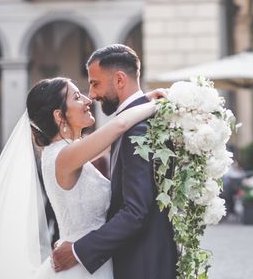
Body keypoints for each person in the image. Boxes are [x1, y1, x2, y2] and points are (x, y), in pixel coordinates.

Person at [0, 74, 161, 279]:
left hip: (90, 257)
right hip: (81, 265)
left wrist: (141, 100)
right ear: (59, 115)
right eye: (77, 97)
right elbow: (119, 126)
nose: (88, 100)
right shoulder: (63, 156)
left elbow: (110, 136)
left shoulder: (67, 151)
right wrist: (158, 103)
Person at [52, 44, 177, 279]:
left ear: (120, 80)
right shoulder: (139, 124)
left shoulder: (136, 130)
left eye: (94, 83)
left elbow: (135, 212)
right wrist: (148, 102)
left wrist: (79, 251)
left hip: (141, 265)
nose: (92, 95)